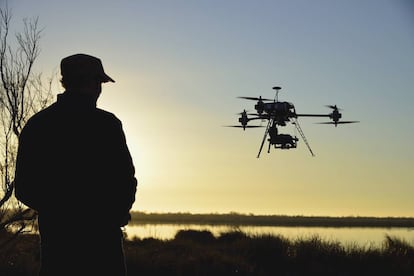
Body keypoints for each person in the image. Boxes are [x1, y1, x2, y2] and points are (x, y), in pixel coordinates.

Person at [14, 53, 138, 276]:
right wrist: (114, 214)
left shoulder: (38, 125)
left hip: (59, 246)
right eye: (99, 82)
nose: (100, 89)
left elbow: (24, 188)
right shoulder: (107, 125)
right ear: (91, 83)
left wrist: (60, 213)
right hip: (103, 246)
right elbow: (126, 180)